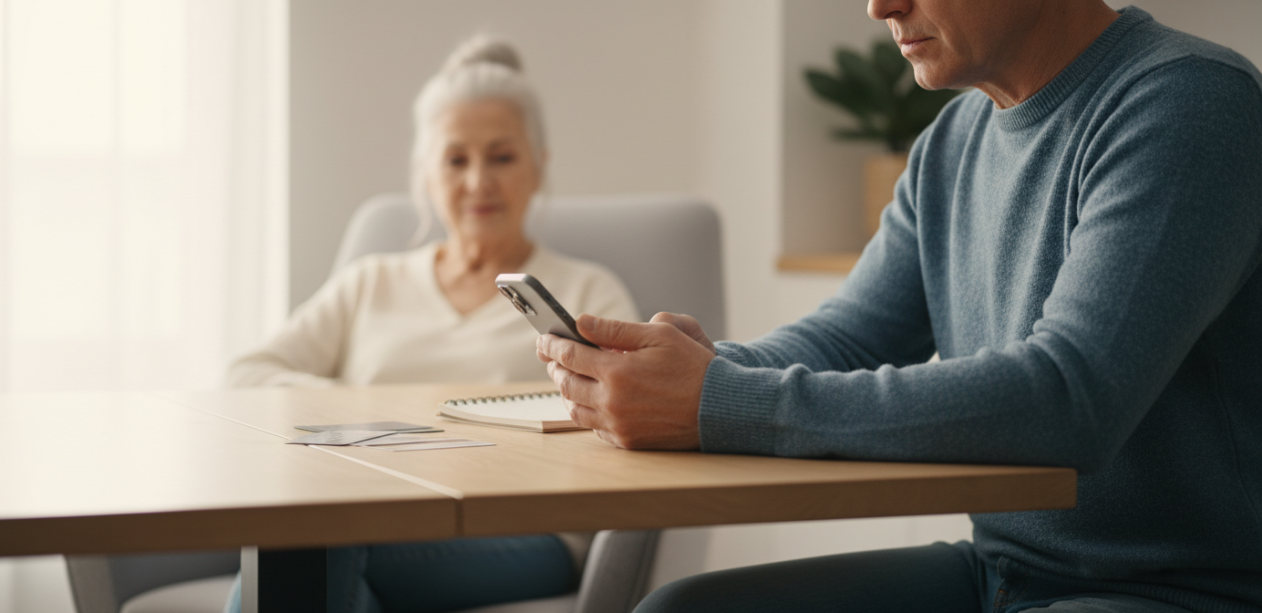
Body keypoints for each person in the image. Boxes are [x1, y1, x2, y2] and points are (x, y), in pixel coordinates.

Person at [536, 1, 1262, 611]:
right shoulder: (952, 141)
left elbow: (1070, 398)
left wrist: (716, 399)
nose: (879, 5)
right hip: (999, 572)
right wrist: (695, 370)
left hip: (1180, 591)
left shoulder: (1192, 102)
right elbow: (850, 338)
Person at [224, 35, 638, 613]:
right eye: (456, 160)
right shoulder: (370, 282)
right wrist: (370, 414)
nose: (478, 181)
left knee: (310, 542)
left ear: (539, 165)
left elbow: (629, 417)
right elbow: (247, 374)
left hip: (524, 532)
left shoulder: (588, 292)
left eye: (501, 157)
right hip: (371, 509)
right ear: (426, 172)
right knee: (320, 546)